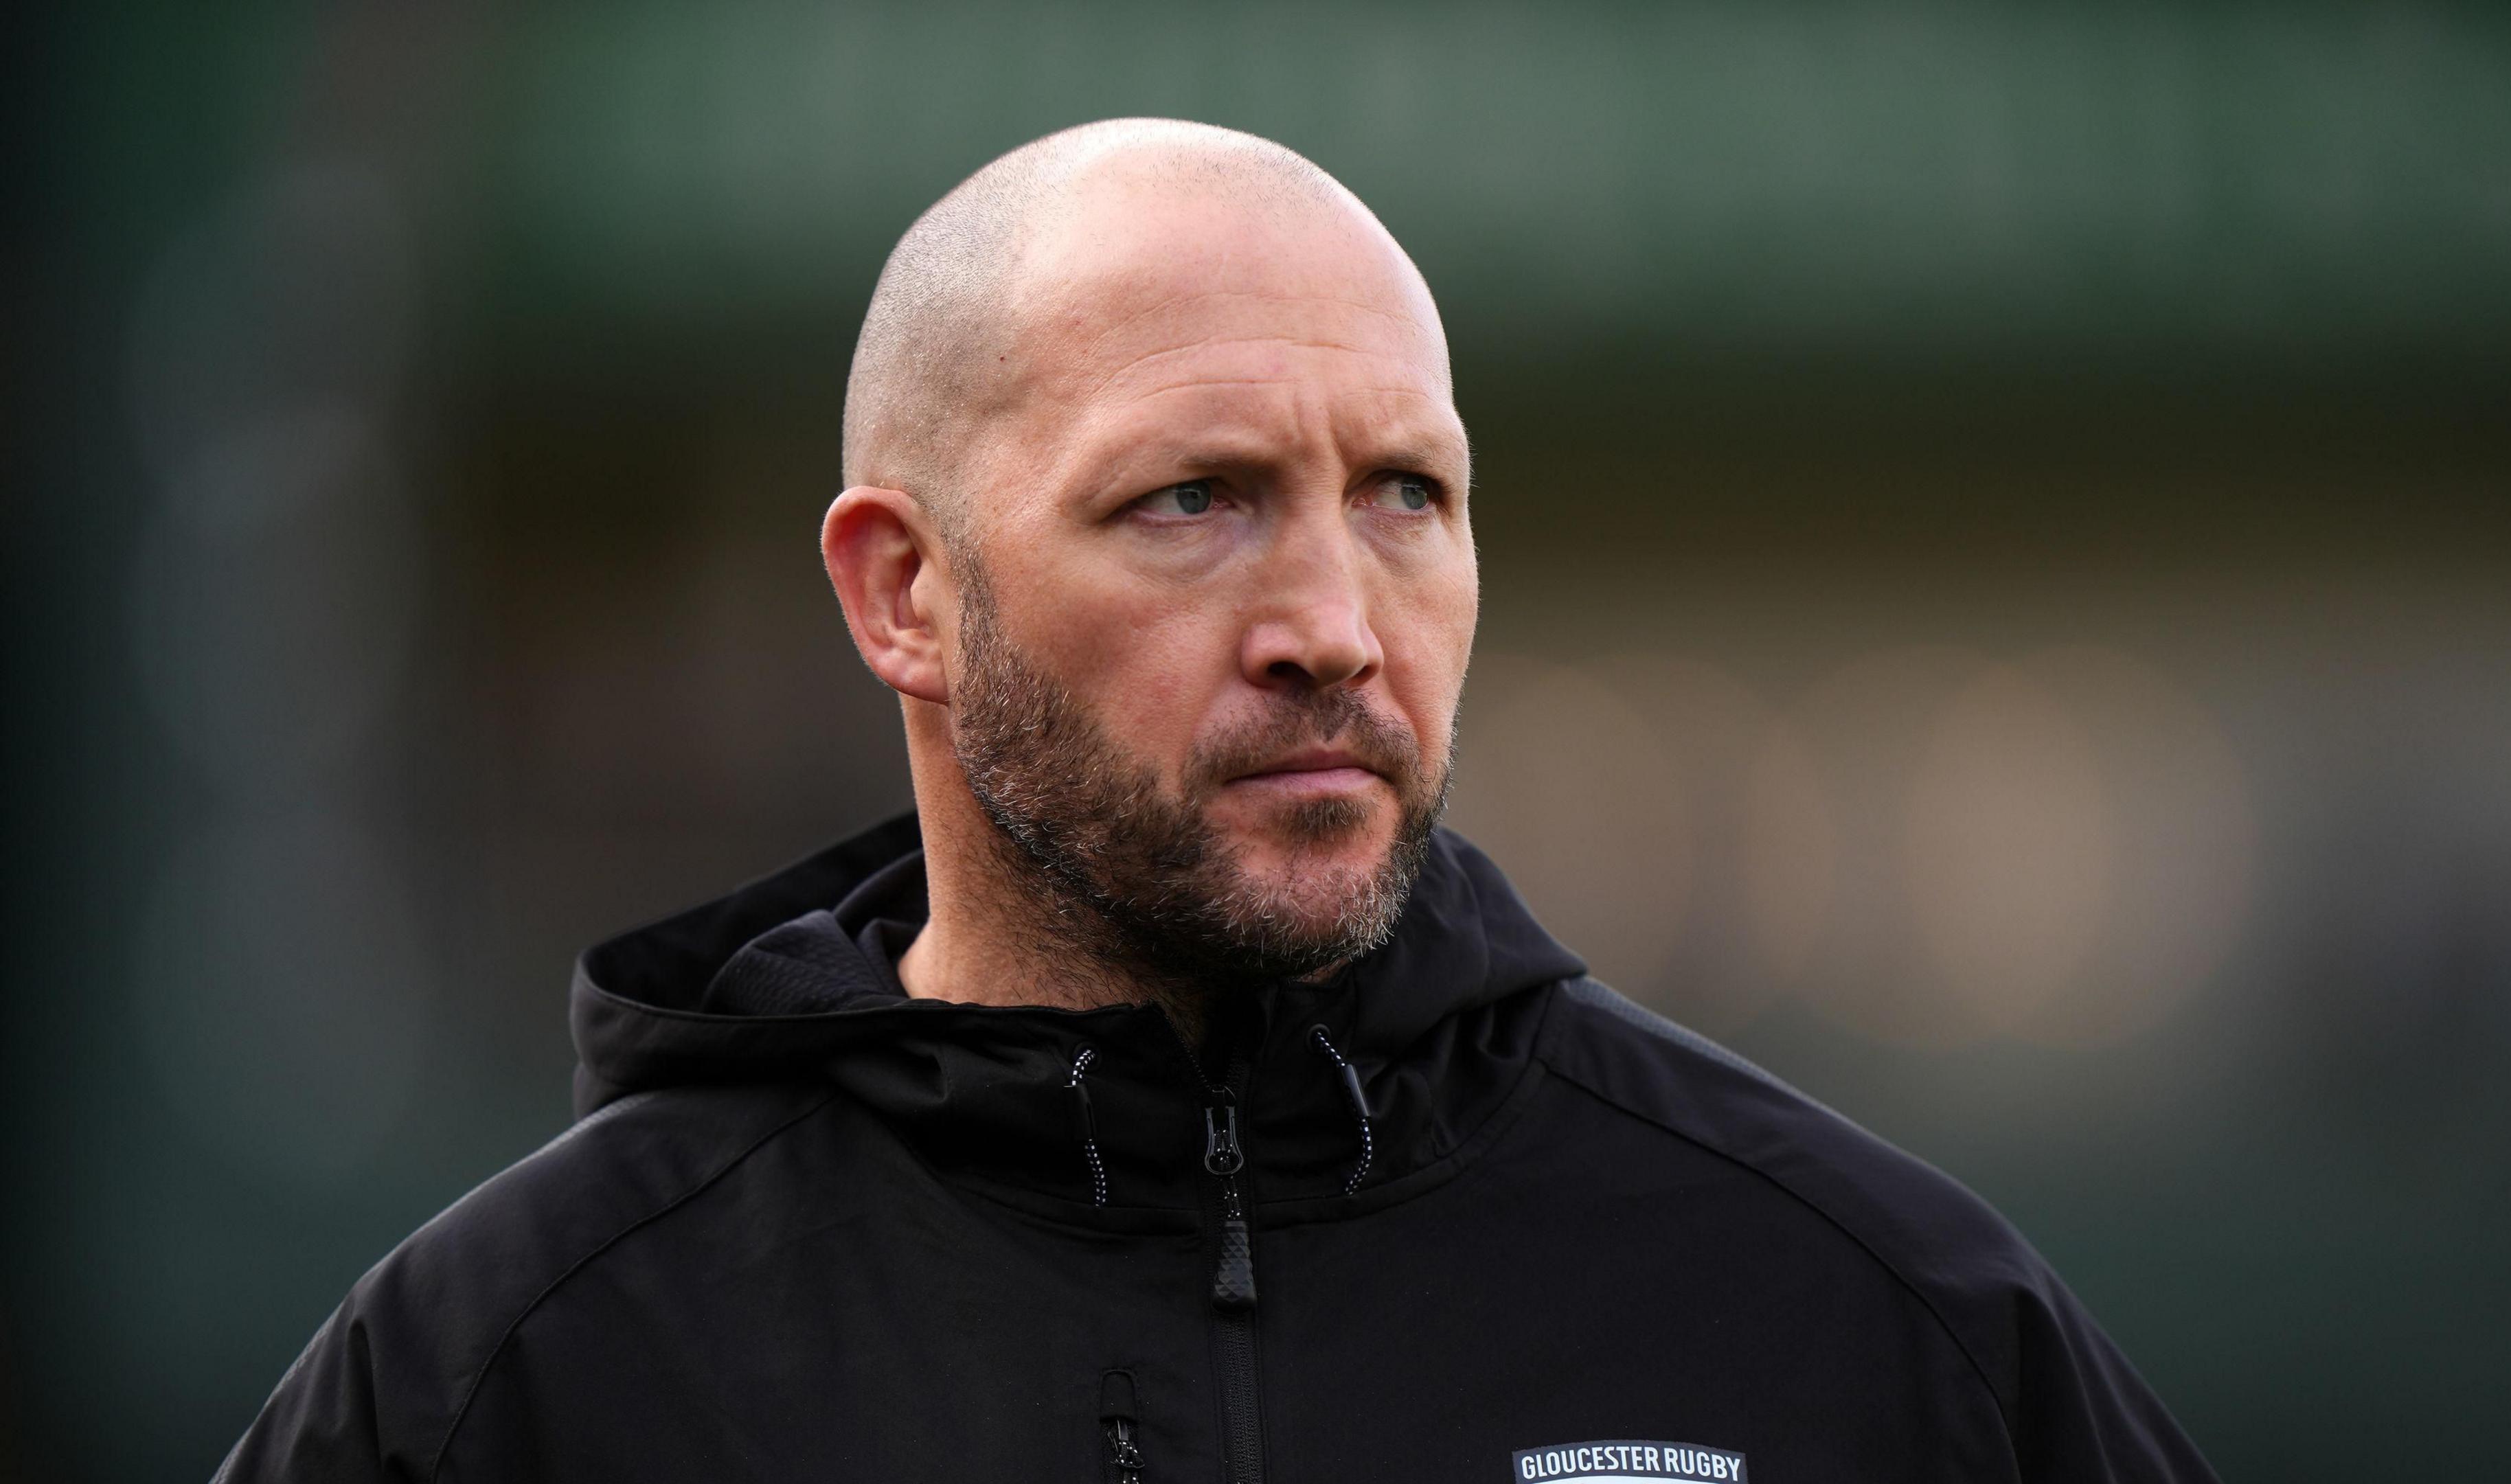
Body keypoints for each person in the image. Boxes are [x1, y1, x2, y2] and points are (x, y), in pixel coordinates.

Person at [219, 119, 2216, 1483]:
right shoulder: (521, 1372)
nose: (1335, 626)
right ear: (905, 592)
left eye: (1405, 497)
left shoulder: (1881, 1324)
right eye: (1195, 498)